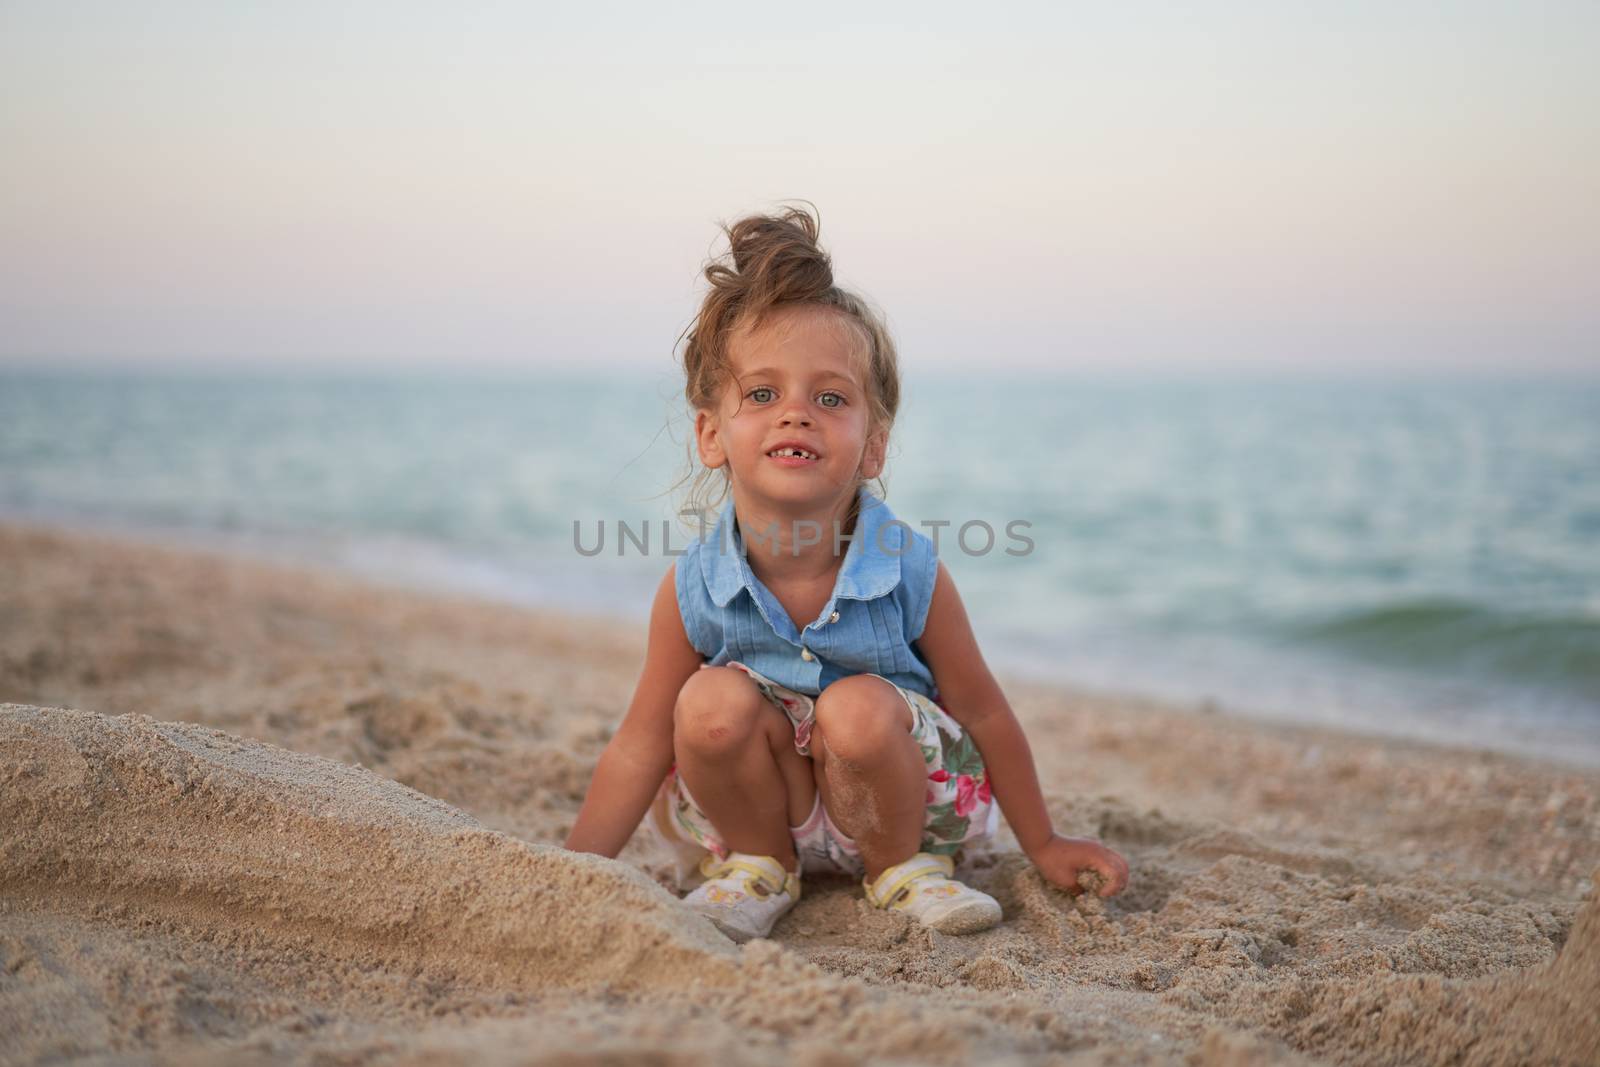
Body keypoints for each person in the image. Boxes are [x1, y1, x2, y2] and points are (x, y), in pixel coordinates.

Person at [563, 204, 1129, 941]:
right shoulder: (693, 587)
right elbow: (640, 743)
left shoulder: (909, 572)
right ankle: (761, 868)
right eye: (762, 394)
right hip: (764, 811)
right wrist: (573, 867)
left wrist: (1044, 842)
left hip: (902, 809)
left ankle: (903, 872)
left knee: (856, 708)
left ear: (873, 447)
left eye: (830, 398)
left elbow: (984, 711)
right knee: (706, 702)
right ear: (711, 434)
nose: (795, 414)